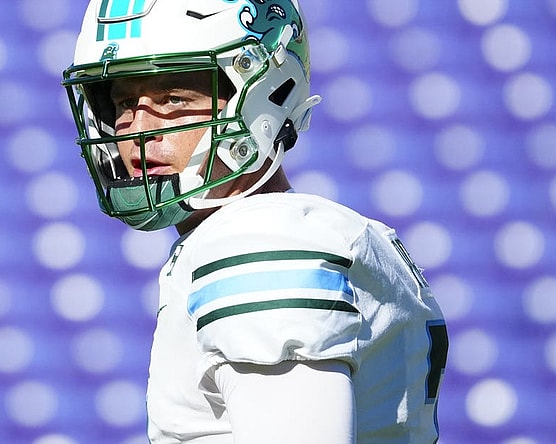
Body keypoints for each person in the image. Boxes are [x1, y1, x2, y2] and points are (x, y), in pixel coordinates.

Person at [62, 0, 449, 442]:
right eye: (125, 102)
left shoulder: (258, 241)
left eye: (173, 98)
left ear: (267, 94)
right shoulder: (304, 230)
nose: (137, 129)